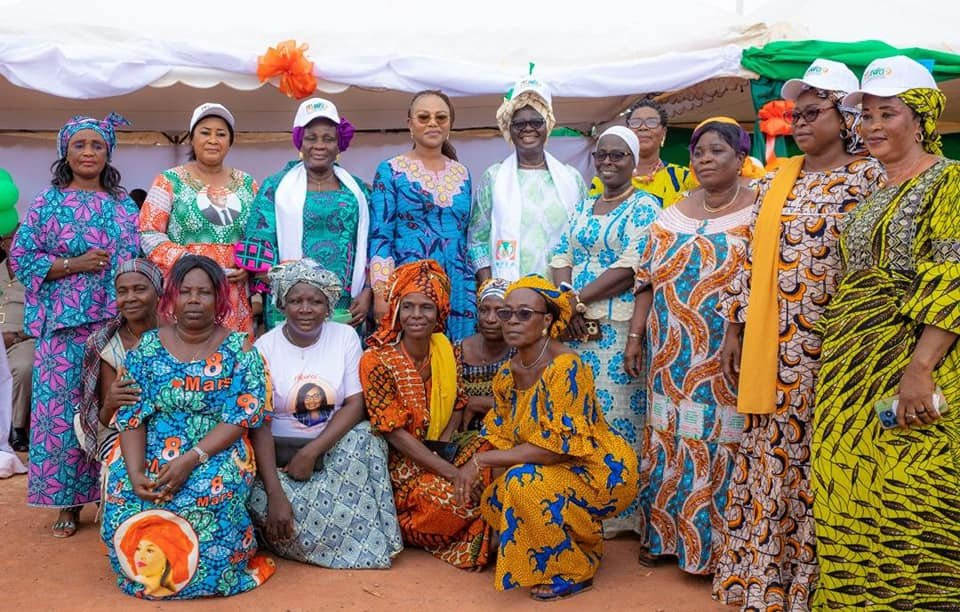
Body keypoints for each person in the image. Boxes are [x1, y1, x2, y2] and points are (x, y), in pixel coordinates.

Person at [712, 60, 884, 609]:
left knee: (817, 460)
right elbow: (749, 257)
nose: (799, 124)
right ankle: (765, 580)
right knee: (769, 457)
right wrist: (734, 328)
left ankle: (814, 585)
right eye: (795, 113)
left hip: (834, 348)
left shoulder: (870, 177)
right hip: (771, 348)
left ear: (847, 116)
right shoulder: (778, 177)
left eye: (812, 112)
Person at [811, 56, 960, 608]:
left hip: (913, 368)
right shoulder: (871, 198)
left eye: (886, 114)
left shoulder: (949, 183)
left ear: (919, 119)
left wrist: (919, 371)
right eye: (865, 115)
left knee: (910, 491)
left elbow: (952, 278)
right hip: (850, 373)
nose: (871, 126)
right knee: (843, 487)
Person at [101, 254, 275, 599]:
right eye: (185, 292)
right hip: (152, 445)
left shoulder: (240, 349)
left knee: (207, 493)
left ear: (220, 298)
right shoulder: (146, 349)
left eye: (204, 293)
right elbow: (133, 417)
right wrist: (135, 472)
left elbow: (240, 419)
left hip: (215, 449)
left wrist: (191, 458)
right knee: (125, 491)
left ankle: (213, 574)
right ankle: (150, 573)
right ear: (172, 299)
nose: (194, 300)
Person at [624, 118, 755, 574]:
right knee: (668, 438)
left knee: (721, 439)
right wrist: (636, 336)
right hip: (669, 352)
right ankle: (662, 537)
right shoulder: (671, 215)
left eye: (718, 151)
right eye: (699, 152)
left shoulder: (758, 214)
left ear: (741, 158)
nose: (705, 159)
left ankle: (719, 549)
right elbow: (645, 281)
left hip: (727, 350)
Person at [463, 275, 638, 601]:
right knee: (497, 493)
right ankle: (581, 539)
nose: (512, 321)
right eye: (506, 313)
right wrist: (492, 497)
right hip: (555, 471)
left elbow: (552, 452)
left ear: (547, 320)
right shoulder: (507, 373)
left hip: (601, 472)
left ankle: (575, 567)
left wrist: (481, 461)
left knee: (521, 483)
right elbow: (501, 438)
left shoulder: (566, 367)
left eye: (524, 314)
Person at [10, 112, 140, 537]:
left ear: (109, 153)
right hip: (62, 329)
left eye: (97, 145)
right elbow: (21, 258)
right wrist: (72, 265)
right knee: (62, 416)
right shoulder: (47, 203)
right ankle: (67, 503)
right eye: (80, 145)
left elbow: (136, 261)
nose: (89, 152)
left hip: (112, 326)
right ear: (65, 151)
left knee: (110, 409)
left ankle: (112, 493)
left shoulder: (122, 204)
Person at [248, 258, 402, 568]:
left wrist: (313, 451)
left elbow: (356, 404)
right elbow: (259, 423)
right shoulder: (264, 347)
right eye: (295, 300)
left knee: (368, 439)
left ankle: (348, 540)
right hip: (281, 462)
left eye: (315, 301)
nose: (305, 309)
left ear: (328, 306)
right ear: (281, 304)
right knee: (280, 510)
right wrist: (277, 493)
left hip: (334, 455)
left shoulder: (344, 337)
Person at [550, 125, 660, 535]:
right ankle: (587, 505)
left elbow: (632, 266)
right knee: (582, 416)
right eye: (602, 156)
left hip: (617, 331)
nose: (609, 162)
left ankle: (623, 512)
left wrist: (576, 298)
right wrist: (567, 299)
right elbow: (561, 252)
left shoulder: (646, 207)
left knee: (618, 419)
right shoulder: (583, 206)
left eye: (619, 156)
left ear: (634, 161)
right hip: (577, 329)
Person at [360, 259, 492, 569]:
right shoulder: (376, 360)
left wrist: (447, 452)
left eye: (426, 307)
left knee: (493, 453)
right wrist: (450, 473)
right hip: (400, 465)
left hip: (442, 450)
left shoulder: (444, 349)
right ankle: (403, 527)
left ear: (440, 312)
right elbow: (393, 433)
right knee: (452, 504)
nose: (416, 316)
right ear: (396, 310)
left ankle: (475, 517)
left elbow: (458, 405)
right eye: (408, 307)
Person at [243, 98, 371, 330]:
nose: (319, 145)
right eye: (311, 138)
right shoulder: (275, 187)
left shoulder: (358, 192)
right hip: (292, 308)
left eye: (328, 138)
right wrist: (293, 294)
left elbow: (373, 245)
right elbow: (258, 251)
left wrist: (369, 292)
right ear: (300, 142)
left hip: (347, 309)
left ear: (339, 144)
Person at [140, 103, 256, 338]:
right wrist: (192, 263)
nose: (213, 139)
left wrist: (249, 266)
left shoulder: (248, 184)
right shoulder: (169, 180)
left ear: (230, 142)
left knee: (231, 360)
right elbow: (148, 233)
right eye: (205, 132)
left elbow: (259, 235)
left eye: (221, 134)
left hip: (234, 293)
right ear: (191, 139)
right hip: (187, 289)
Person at [369, 90, 476, 341]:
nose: (433, 123)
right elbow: (380, 235)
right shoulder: (390, 170)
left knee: (455, 357)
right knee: (412, 359)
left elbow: (466, 233)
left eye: (441, 118)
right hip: (410, 282)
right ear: (410, 124)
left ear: (450, 124)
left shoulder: (462, 173)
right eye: (423, 117)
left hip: (458, 281)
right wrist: (381, 292)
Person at [467, 77, 587, 282]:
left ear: (547, 126)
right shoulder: (493, 178)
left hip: (562, 294)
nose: (528, 128)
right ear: (510, 130)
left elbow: (585, 237)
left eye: (536, 122)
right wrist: (488, 288)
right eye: (519, 123)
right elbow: (476, 241)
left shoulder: (572, 179)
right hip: (509, 295)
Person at [76, 259, 163, 506]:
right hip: (123, 430)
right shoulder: (106, 344)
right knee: (127, 464)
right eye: (122, 292)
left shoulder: (179, 333)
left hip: (173, 423)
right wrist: (110, 403)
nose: (130, 298)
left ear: (158, 292)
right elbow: (105, 421)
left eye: (140, 289)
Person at [588, 99, 697, 207]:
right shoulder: (606, 177)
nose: (643, 127)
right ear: (628, 131)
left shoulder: (684, 178)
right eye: (636, 123)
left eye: (651, 122)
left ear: (664, 132)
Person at [454, 278, 514, 431]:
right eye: (484, 310)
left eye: (500, 312)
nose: (490, 319)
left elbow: (529, 407)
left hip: (507, 439)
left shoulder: (520, 354)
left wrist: (478, 403)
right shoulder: (456, 352)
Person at [0, 227, 33, 453]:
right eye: (15, 239)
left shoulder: (36, 275)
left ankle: (16, 427)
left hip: (23, 338)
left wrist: (18, 335)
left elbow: (45, 315)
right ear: (4, 244)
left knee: (22, 368)